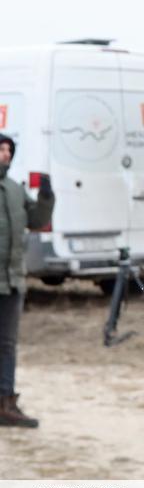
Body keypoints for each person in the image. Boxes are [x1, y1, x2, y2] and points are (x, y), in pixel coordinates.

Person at [0, 133, 54, 428]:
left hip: (12, 281)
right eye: (1, 149)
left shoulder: (14, 191)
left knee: (7, 345)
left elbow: (36, 221)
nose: (6, 154)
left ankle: (5, 402)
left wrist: (46, 197)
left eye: (9, 149)